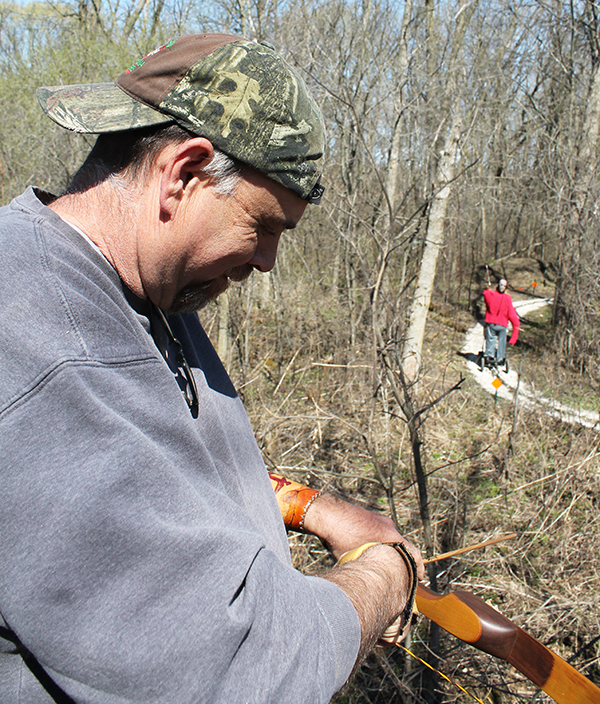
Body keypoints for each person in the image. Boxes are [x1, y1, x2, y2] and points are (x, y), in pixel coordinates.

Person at [0, 34, 424, 704]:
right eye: (266, 226)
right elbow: (249, 670)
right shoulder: (41, 352)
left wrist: (311, 507)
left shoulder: (144, 291)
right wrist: (385, 577)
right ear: (184, 173)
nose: (266, 263)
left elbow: (160, 455)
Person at [482, 278, 520, 365]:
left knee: (491, 339)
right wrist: (514, 335)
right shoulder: (508, 298)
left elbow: (485, 293)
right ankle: (500, 358)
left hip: (491, 323)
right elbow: (513, 316)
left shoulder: (491, 295)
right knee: (502, 341)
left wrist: (489, 289)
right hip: (502, 325)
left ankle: (489, 356)